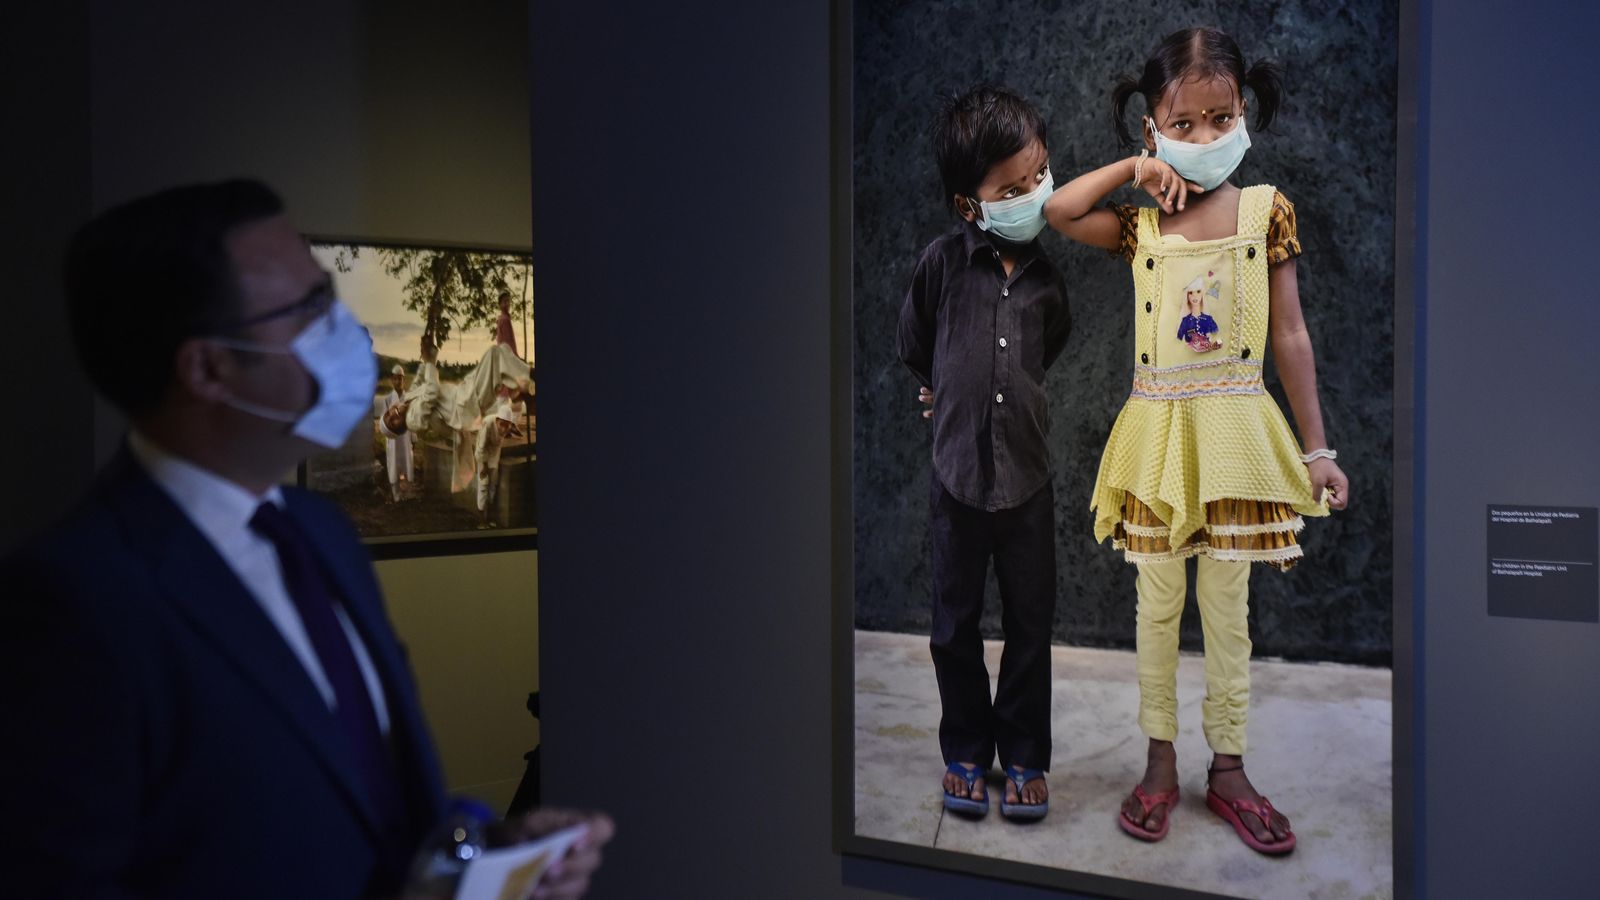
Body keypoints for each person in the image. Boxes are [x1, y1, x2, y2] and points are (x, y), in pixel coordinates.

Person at [0, 179, 612, 898]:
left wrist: (485, 863)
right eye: (309, 309)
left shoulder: (318, 533)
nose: (346, 331)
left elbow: (362, 808)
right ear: (208, 367)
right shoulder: (73, 602)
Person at [1042, 26, 1351, 854]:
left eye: (1222, 118)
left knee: (1228, 610)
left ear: (1246, 114)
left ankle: (1229, 766)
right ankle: (1159, 759)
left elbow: (1290, 336)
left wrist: (1317, 451)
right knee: (1156, 605)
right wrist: (1133, 172)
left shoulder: (1265, 211)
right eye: (1182, 124)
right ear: (1151, 128)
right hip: (1159, 439)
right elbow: (1058, 210)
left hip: (1238, 437)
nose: (1205, 138)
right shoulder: (1142, 226)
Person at [896, 84, 1072, 822]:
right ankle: (966, 749)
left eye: (1038, 177)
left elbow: (1046, 352)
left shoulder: (1046, 280)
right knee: (954, 625)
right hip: (957, 482)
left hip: (1027, 481)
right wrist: (948, 393)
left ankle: (1025, 754)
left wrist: (1005, 395)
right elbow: (916, 346)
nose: (1032, 195)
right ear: (971, 204)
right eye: (1011, 187)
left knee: (1031, 627)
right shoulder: (941, 265)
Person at [475, 399, 521, 526]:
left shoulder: (507, 426)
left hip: (494, 453)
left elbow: (513, 429)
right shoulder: (488, 423)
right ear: (497, 421)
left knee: (492, 486)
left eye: (507, 425)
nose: (504, 428)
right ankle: (481, 521)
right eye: (502, 424)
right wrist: (484, 466)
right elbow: (481, 447)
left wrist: (516, 432)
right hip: (483, 453)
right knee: (483, 484)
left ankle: (490, 517)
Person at [377, 364, 414, 501]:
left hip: (406, 438)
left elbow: (412, 420)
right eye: (396, 379)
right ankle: (396, 494)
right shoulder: (387, 400)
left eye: (401, 379)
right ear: (392, 380)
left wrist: (414, 439)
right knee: (393, 464)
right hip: (392, 439)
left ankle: (406, 494)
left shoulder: (409, 399)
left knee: (406, 463)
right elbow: (383, 421)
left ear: (404, 380)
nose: (398, 382)